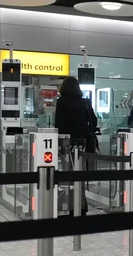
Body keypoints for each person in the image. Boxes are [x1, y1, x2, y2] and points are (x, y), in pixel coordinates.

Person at [55, 76, 98, 216]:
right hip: (83, 144)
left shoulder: (61, 102)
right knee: (80, 175)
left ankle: (71, 206)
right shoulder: (84, 102)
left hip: (67, 143)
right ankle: (82, 206)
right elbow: (94, 121)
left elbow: (59, 124)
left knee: (69, 175)